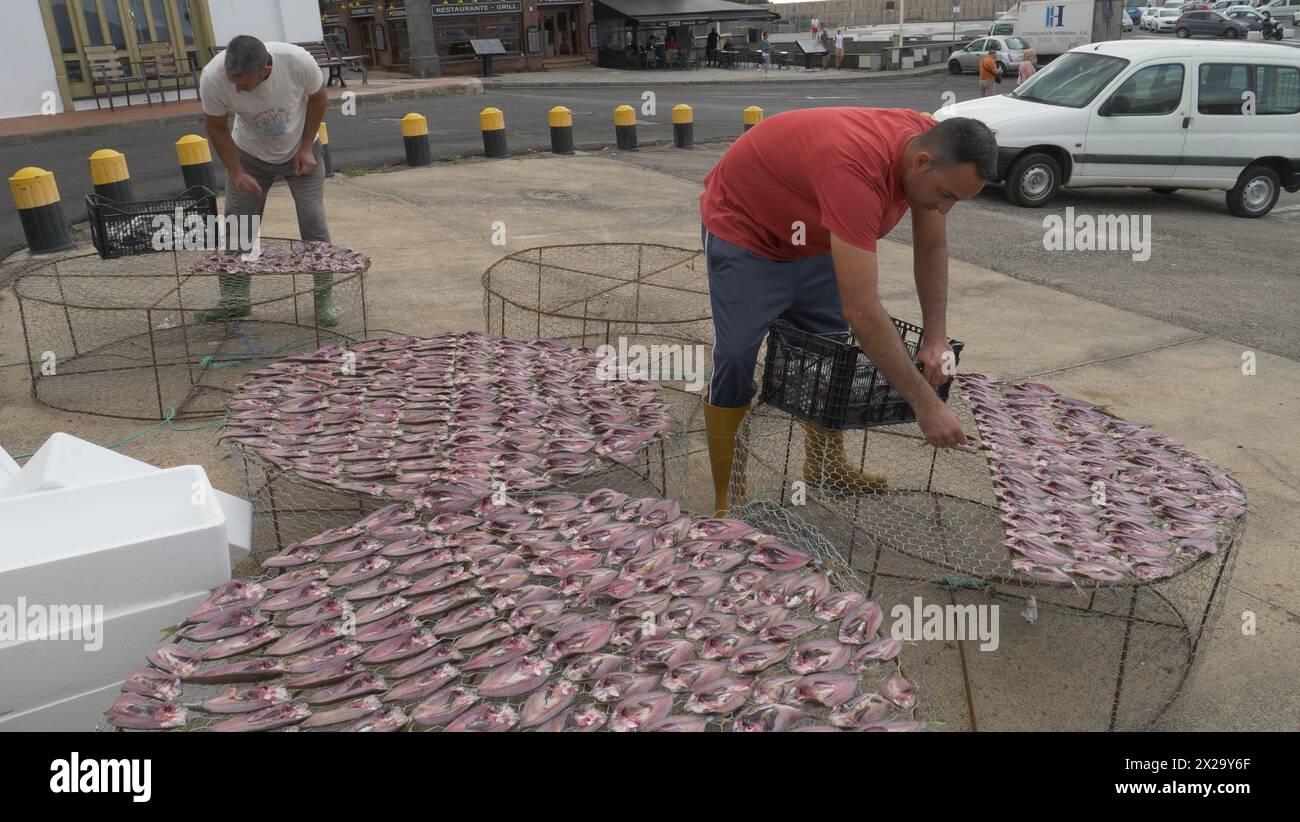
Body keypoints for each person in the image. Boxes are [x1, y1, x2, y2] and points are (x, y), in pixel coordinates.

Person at [698, 109, 996, 514]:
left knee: (827, 350)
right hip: (747, 230)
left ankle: (825, 465)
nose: (944, 209)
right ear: (921, 162)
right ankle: (726, 496)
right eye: (946, 196)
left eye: (955, 201)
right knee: (735, 357)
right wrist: (926, 405)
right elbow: (863, 310)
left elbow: (931, 247)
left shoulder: (928, 145)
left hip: (815, 231)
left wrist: (935, 337)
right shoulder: (854, 174)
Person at [199, 35, 338, 325]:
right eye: (232, 80)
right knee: (238, 225)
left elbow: (318, 98)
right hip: (249, 154)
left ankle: (324, 297)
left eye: (244, 84)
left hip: (301, 151)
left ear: (266, 69)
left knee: (313, 222)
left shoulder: (297, 62)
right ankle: (235, 300)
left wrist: (304, 147)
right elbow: (215, 126)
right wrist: (237, 171)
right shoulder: (213, 77)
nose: (236, 88)